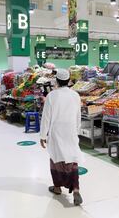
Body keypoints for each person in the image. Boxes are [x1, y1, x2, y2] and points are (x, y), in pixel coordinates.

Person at [40, 69, 84, 206]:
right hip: (70, 130)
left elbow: (46, 117)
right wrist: (76, 131)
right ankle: (76, 189)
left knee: (55, 158)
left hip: (56, 130)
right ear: (69, 80)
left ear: (57, 81)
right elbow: (78, 116)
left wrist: (43, 135)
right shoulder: (75, 95)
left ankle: (57, 187)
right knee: (72, 158)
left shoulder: (52, 95)